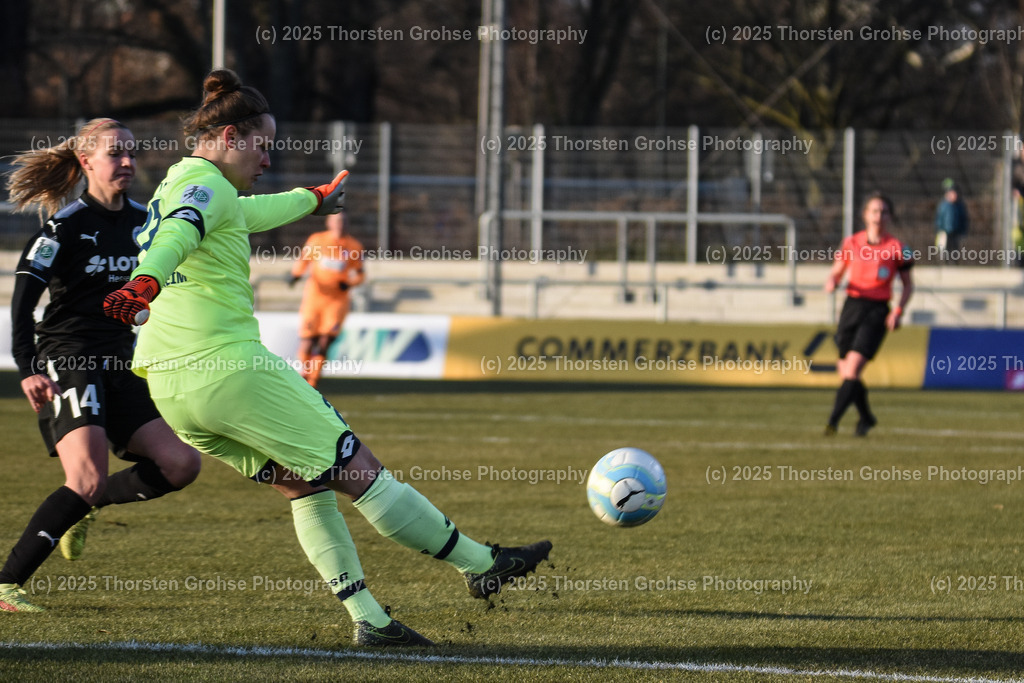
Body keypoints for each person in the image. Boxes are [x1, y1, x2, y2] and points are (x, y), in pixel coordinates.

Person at [102, 69, 550, 646]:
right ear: (231, 137)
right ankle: (481, 565)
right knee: (358, 471)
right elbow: (179, 237)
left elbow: (248, 213)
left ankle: (372, 620)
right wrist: (143, 284)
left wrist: (312, 199)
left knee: (303, 485)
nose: (267, 158)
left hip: (174, 390)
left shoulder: (183, 185)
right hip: (226, 370)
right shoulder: (203, 189)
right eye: (262, 145)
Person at [0, 119, 202, 613]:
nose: (128, 162)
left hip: (123, 361)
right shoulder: (62, 228)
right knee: (86, 477)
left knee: (181, 464)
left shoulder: (147, 222)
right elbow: (23, 304)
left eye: (132, 153)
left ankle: (88, 505)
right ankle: (6, 585)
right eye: (116, 154)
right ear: (87, 161)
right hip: (69, 357)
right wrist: (28, 367)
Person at [824, 193, 914, 437]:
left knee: (852, 371)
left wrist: (898, 311)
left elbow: (908, 285)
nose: (879, 216)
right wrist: (832, 280)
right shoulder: (851, 242)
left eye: (883, 211)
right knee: (845, 372)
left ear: (890, 216)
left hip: (877, 311)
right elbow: (837, 271)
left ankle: (832, 422)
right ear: (865, 215)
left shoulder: (900, 248)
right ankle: (866, 418)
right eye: (874, 211)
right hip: (852, 307)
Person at [289, 211, 365, 388]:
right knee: (307, 340)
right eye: (337, 221)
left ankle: (313, 380)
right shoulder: (317, 240)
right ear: (329, 223)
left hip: (337, 302)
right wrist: (295, 275)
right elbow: (303, 260)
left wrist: (349, 284)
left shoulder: (354, 246)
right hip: (314, 298)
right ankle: (304, 373)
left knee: (325, 340)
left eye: (344, 221)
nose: (341, 224)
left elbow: (361, 275)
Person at [933, 178, 968, 262]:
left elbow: (964, 219)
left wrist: (963, 230)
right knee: (945, 248)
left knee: (955, 249)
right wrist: (939, 229)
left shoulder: (960, 205)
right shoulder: (944, 205)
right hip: (945, 231)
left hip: (956, 231)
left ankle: (954, 263)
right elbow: (939, 218)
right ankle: (945, 262)